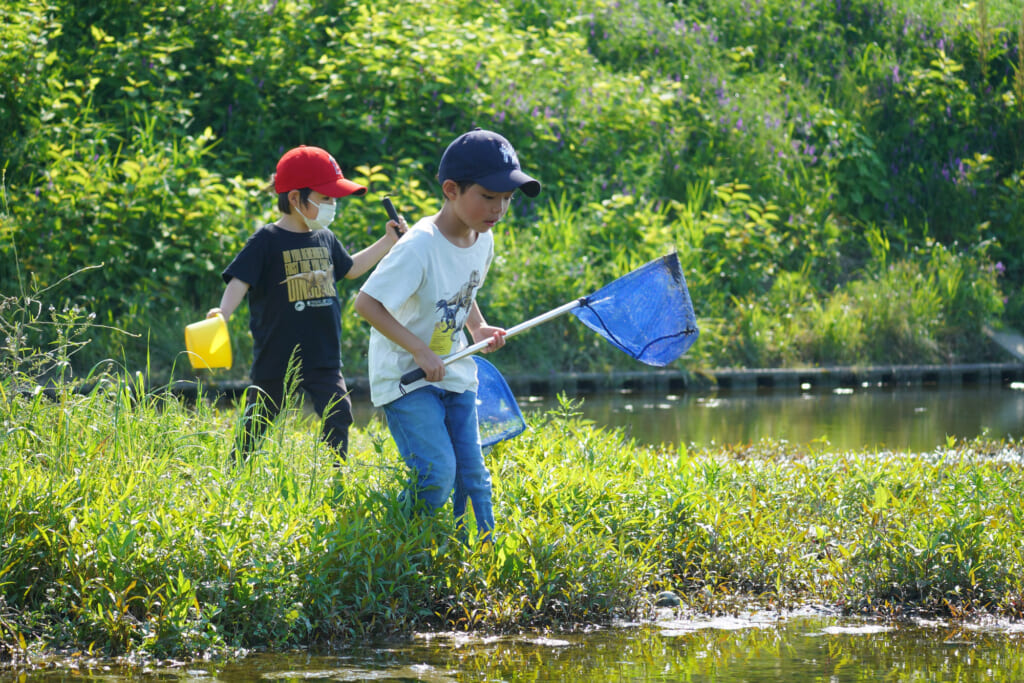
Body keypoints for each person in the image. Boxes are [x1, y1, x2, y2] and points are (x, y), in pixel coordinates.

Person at [354, 128, 540, 542]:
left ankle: (476, 552)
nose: (499, 208)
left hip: (454, 369)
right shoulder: (418, 246)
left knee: (473, 476)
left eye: (507, 198)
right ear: (451, 190)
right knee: (437, 472)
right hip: (408, 378)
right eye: (488, 197)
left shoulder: (482, 237)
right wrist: (419, 351)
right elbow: (366, 304)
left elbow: (463, 289)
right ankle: (401, 542)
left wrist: (477, 326)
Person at [209, 145, 405, 464]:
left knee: (338, 411)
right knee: (259, 418)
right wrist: (222, 313)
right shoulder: (266, 241)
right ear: (296, 199)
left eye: (334, 199)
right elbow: (239, 280)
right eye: (325, 198)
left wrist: (388, 241)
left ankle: (334, 472)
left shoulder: (324, 237)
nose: (333, 206)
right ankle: (235, 468)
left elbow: (350, 268)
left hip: (322, 354)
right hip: (277, 354)